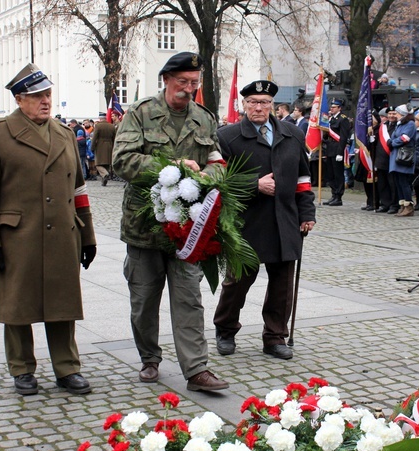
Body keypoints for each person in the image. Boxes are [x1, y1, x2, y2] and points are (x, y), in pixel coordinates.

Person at [0, 63, 97, 395]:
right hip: (17, 236)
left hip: (62, 233)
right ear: (19, 100)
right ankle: (22, 368)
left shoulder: (65, 134)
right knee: (17, 306)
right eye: (36, 96)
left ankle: (67, 368)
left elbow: (79, 190)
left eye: (47, 94)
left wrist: (88, 237)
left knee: (63, 304)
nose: (45, 101)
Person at [111, 51, 229, 392]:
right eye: (183, 82)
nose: (189, 89)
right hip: (145, 226)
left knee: (189, 297)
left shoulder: (204, 118)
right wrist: (173, 167)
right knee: (144, 299)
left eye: (194, 83)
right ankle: (150, 358)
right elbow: (123, 161)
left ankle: (196, 370)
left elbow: (217, 160)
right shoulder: (140, 113)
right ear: (166, 80)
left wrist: (208, 175)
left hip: (188, 229)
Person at [213, 80, 316, 360]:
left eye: (265, 102)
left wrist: (307, 213)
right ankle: (225, 329)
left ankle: (274, 336)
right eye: (253, 102)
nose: (259, 107)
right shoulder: (228, 136)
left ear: (272, 105)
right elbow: (216, 180)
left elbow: (303, 178)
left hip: (285, 219)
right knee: (237, 283)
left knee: (282, 285)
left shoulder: (292, 133)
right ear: (243, 105)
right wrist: (253, 185)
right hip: (246, 222)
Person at [387, 104, 417, 216]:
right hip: (396, 156)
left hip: (404, 157)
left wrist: (392, 143)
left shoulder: (410, 124)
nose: (396, 115)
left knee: (404, 182)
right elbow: (394, 136)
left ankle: (408, 206)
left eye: (397, 113)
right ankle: (402, 204)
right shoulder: (399, 125)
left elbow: (405, 138)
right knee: (398, 182)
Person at [323, 98, 351, 206]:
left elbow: (343, 137)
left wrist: (340, 152)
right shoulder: (330, 119)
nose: (332, 109)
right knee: (330, 174)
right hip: (329, 149)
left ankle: (338, 196)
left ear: (340, 108)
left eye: (334, 107)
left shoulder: (343, 119)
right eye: (331, 107)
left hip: (337, 150)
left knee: (338, 174)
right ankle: (333, 194)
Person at [374, 107, 396, 213]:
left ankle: (393, 204)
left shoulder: (398, 126)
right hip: (381, 159)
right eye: (389, 114)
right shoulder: (383, 126)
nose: (391, 116)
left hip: (391, 159)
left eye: (393, 113)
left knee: (392, 184)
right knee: (382, 184)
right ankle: (385, 204)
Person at [90, 115, 117, 186]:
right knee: (107, 163)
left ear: (100, 119)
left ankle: (105, 174)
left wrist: (92, 147)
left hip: (100, 146)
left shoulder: (98, 126)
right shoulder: (112, 126)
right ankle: (104, 181)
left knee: (98, 164)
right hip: (110, 146)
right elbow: (115, 137)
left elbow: (94, 137)